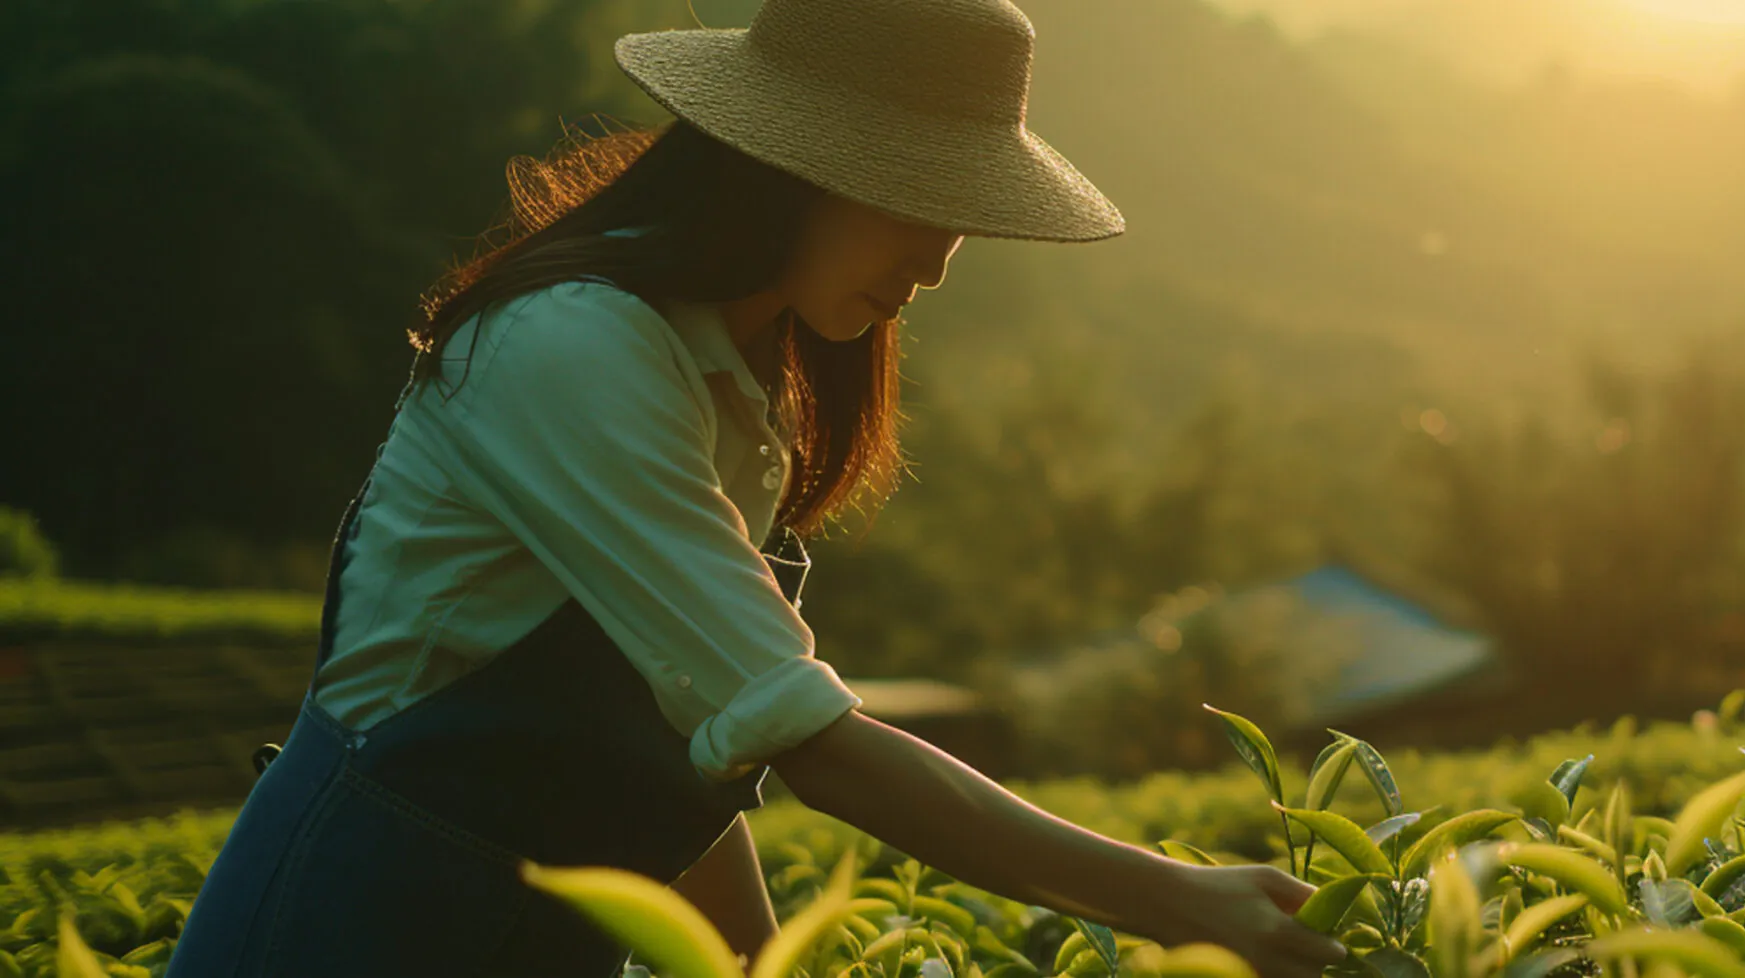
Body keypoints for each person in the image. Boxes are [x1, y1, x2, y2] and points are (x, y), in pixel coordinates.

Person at [162, 0, 1350, 975]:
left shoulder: (728, 381)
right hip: (352, 927)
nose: (939, 263)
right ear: (795, 167)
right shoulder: (569, 348)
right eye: (923, 202)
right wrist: (1177, 902)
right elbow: (803, 736)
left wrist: (754, 966)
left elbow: (687, 744)